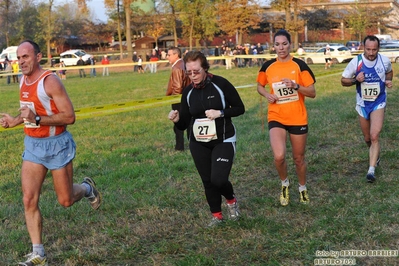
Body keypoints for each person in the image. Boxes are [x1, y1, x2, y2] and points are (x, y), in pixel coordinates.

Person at [0, 40, 102, 265]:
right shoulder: (22, 80)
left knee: (65, 200)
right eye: (19, 58)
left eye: (25, 56)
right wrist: (15, 120)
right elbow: (30, 112)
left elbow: (69, 116)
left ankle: (86, 188)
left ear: (37, 57)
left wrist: (36, 119)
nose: (21, 61)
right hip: (33, 146)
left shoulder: (51, 81)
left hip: (57, 145)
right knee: (28, 199)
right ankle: (39, 253)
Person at [168, 51, 245, 227]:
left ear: (205, 68)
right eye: (189, 72)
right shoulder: (188, 92)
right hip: (198, 142)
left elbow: (240, 108)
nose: (193, 76)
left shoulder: (221, 84)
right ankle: (216, 216)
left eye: (196, 71)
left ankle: (231, 201)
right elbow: (184, 123)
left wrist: (221, 112)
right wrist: (177, 120)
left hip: (223, 139)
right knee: (207, 180)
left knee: (218, 179)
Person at [256, 29, 316, 206]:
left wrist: (296, 86)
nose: (281, 48)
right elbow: (259, 85)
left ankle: (302, 188)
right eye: (277, 44)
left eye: (284, 44)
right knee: (279, 156)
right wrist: (267, 94)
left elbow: (312, 92)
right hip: (277, 116)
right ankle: (284, 184)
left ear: (290, 45)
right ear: (273, 46)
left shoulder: (300, 65)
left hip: (297, 117)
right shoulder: (267, 66)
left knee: (299, 159)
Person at [341, 35, 393, 183]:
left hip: (378, 102)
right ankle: (375, 153)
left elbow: (389, 71)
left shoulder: (384, 61)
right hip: (362, 104)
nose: (371, 53)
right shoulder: (356, 62)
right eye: (368, 49)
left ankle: (371, 170)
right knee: (368, 138)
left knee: (375, 135)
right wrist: (354, 80)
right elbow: (343, 80)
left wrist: (388, 80)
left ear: (378, 49)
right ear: (363, 47)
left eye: (374, 50)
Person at [165, 47, 191, 151]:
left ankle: (179, 147)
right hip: (187, 98)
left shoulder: (177, 67)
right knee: (189, 123)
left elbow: (178, 87)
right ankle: (192, 144)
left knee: (178, 124)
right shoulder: (184, 64)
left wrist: (174, 100)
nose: (167, 57)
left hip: (179, 100)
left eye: (169, 54)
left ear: (176, 55)